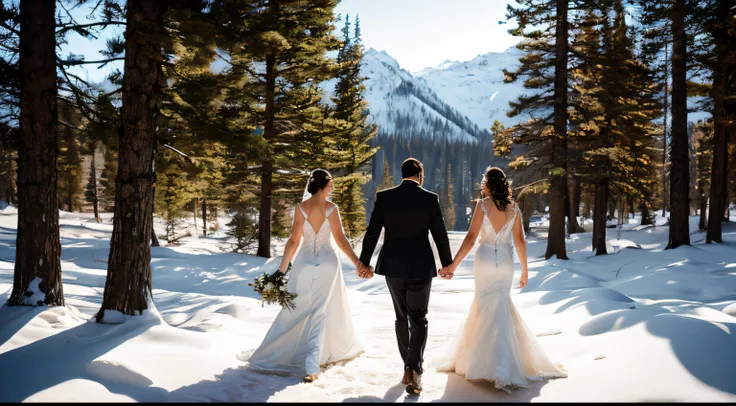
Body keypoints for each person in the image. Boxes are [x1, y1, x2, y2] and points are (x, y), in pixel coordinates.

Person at [435, 167, 567, 392]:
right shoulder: (513, 209)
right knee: (501, 306)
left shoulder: (482, 206)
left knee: (483, 306)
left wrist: (453, 265)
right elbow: (520, 241)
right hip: (505, 262)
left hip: (484, 260)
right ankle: (502, 364)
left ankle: (481, 363)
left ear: (488, 184)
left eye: (484, 181)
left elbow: (470, 238)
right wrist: (525, 270)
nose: (482, 185)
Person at [239, 169, 371, 382]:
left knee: (295, 309)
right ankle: (312, 364)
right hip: (328, 263)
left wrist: (281, 270)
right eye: (331, 184)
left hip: (304, 263)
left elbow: (294, 241)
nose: (333, 188)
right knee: (320, 310)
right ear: (325, 184)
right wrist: (358, 263)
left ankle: (275, 352)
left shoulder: (301, 208)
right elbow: (339, 239)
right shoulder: (331, 208)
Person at [359, 158, 453, 395]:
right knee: (419, 318)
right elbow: (440, 235)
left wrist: (364, 262)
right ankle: (414, 369)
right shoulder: (430, 199)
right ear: (420, 175)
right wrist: (447, 264)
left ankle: (407, 368)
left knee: (402, 317)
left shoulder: (385, 197)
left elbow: (372, 232)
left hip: (393, 266)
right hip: (421, 265)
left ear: (403, 174)